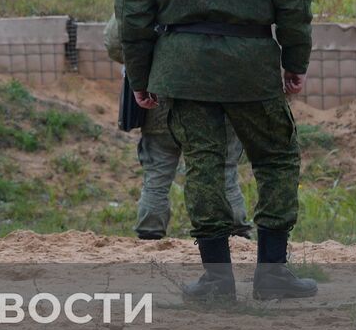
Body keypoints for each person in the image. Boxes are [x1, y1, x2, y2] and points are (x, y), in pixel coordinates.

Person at [117, 0, 315, 303]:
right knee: (275, 158)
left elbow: (133, 14)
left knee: (202, 165)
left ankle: (216, 279)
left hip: (182, 71)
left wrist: (140, 78)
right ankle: (272, 272)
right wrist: (294, 61)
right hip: (251, 67)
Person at [102, 15, 250, 240]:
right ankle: (237, 237)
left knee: (157, 174)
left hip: (161, 91)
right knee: (224, 170)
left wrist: (149, 61)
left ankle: (150, 236)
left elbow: (115, 42)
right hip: (219, 90)